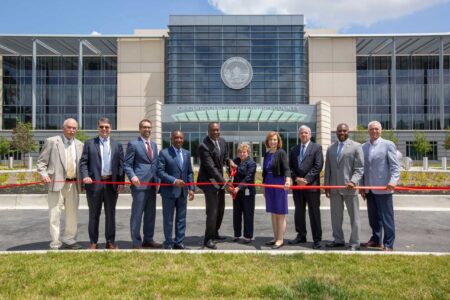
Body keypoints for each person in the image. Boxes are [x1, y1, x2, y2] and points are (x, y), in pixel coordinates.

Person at [37, 118, 84, 250]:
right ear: (63, 128)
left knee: (72, 215)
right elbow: (41, 162)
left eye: (74, 128)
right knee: (54, 215)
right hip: (55, 184)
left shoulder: (80, 144)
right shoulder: (52, 141)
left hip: (73, 184)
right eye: (69, 127)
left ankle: (69, 240)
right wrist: (44, 175)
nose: (72, 130)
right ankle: (55, 243)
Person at [79, 118, 124, 250]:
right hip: (94, 185)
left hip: (111, 184)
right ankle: (93, 242)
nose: (104, 129)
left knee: (111, 214)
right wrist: (85, 176)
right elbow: (83, 163)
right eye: (102, 127)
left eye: (107, 127)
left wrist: (121, 182)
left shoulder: (117, 145)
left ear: (111, 128)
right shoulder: (89, 143)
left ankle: (110, 241)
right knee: (94, 214)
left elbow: (121, 165)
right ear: (98, 128)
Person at [360, 121, 400, 251]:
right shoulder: (363, 147)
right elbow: (363, 168)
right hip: (369, 189)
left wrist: (393, 182)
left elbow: (395, 167)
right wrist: (362, 186)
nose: (374, 131)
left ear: (380, 130)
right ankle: (376, 240)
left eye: (376, 129)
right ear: (368, 131)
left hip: (384, 188)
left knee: (387, 218)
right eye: (371, 129)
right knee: (373, 218)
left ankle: (388, 243)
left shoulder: (388, 145)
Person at [324, 123, 364, 251]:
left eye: (344, 131)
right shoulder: (331, 148)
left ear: (348, 132)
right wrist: (327, 186)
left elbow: (359, 168)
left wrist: (353, 181)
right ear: (336, 132)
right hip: (334, 188)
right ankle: (338, 240)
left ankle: (355, 242)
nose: (342, 133)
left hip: (350, 188)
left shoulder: (357, 146)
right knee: (335, 217)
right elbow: (328, 169)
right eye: (339, 131)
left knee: (354, 217)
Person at [197, 122, 236, 249]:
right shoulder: (203, 146)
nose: (216, 132)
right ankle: (207, 239)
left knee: (220, 208)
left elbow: (225, 156)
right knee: (212, 211)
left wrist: (229, 162)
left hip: (219, 181)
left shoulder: (222, 141)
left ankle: (215, 232)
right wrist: (225, 184)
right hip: (208, 181)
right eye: (213, 130)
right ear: (208, 131)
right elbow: (211, 168)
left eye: (217, 130)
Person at [124, 119, 162, 249]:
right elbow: (127, 164)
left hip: (152, 185)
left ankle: (148, 239)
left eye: (149, 127)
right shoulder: (133, 144)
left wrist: (158, 181)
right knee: (137, 214)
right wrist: (132, 176)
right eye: (145, 127)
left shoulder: (154, 145)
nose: (147, 130)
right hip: (139, 184)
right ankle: (136, 241)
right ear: (140, 129)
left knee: (151, 214)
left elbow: (156, 164)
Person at [157, 130, 195, 250]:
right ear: (171, 139)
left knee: (181, 219)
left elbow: (189, 172)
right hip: (169, 192)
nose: (179, 140)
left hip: (183, 192)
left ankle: (179, 242)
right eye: (176, 138)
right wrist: (174, 181)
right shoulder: (164, 153)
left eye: (181, 138)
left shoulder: (186, 153)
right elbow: (160, 172)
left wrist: (191, 188)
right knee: (168, 219)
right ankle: (168, 243)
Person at [288, 125, 324, 249]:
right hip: (297, 187)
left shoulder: (317, 148)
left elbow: (318, 166)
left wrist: (307, 180)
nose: (303, 135)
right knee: (299, 212)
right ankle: (301, 235)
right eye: (301, 133)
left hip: (312, 187)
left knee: (314, 213)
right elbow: (290, 167)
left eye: (306, 133)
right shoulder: (294, 149)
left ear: (310, 135)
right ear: (299, 135)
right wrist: (296, 179)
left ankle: (317, 239)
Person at [263, 131, 291, 249]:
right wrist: (264, 186)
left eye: (275, 139)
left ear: (278, 141)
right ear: (267, 141)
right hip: (269, 183)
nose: (273, 141)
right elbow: (264, 172)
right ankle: (275, 237)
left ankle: (280, 239)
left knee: (280, 213)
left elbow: (286, 168)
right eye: (271, 140)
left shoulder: (281, 153)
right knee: (273, 213)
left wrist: (288, 180)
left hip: (279, 183)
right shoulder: (267, 153)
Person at [230, 143, 257, 244]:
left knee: (248, 214)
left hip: (247, 192)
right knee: (236, 214)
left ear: (248, 152)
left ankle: (248, 236)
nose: (242, 154)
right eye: (240, 152)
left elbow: (248, 178)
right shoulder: (235, 160)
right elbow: (231, 173)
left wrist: (239, 187)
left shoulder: (252, 163)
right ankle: (236, 234)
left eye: (244, 152)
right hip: (236, 192)